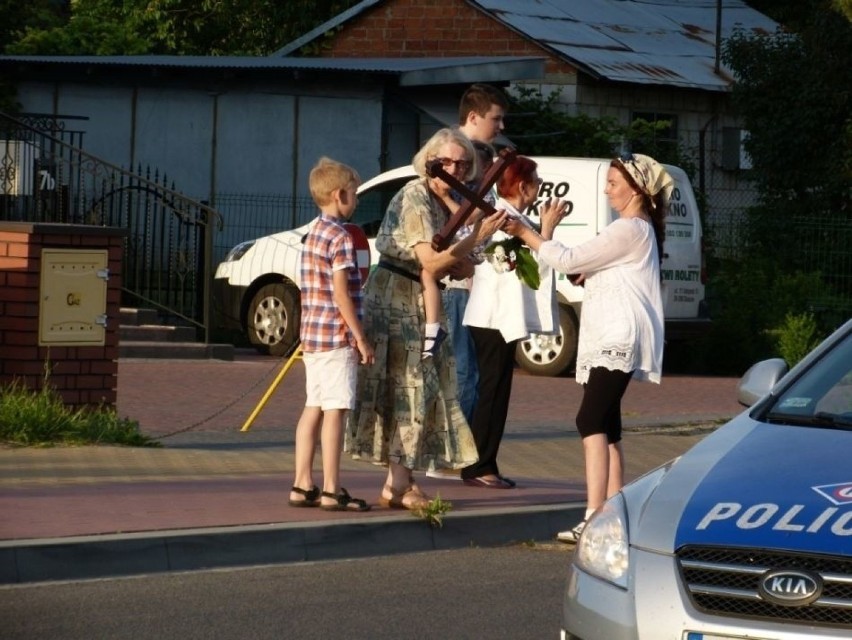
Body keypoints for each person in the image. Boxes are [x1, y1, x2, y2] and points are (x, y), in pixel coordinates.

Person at [504, 152, 671, 540]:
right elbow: (577, 263)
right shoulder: (634, 230)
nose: (608, 190)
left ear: (637, 189)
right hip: (608, 334)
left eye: (614, 183)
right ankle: (614, 513)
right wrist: (548, 235)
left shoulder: (630, 229)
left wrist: (525, 232)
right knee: (607, 425)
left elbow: (568, 259)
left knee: (591, 420)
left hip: (617, 335)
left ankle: (596, 514)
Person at [345, 128, 506, 510]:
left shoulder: (445, 200)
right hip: (396, 297)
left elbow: (455, 265)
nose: (454, 169)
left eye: (462, 164)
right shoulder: (416, 196)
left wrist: (470, 251)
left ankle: (397, 483)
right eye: (446, 162)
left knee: (417, 390)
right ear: (429, 161)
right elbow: (431, 261)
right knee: (408, 390)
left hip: (419, 297)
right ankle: (403, 484)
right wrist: (473, 240)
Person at [461, 156, 568, 489]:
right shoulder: (505, 220)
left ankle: (483, 462)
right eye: (536, 181)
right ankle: (479, 465)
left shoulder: (512, 217)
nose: (539, 188)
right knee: (492, 392)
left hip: (495, 316)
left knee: (494, 390)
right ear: (523, 186)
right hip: (494, 318)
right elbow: (533, 265)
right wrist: (547, 229)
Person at [288, 157, 375, 512]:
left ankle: (301, 482)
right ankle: (331, 487)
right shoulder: (339, 237)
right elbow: (341, 293)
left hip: (312, 336)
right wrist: (360, 337)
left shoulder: (312, 235)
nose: (356, 200)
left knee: (313, 407)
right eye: (354, 194)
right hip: (337, 338)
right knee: (336, 411)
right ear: (340, 195)